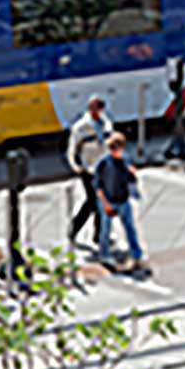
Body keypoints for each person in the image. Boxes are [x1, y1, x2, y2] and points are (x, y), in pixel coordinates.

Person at [94, 132, 147, 270]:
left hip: (123, 199)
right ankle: (104, 253)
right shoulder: (104, 163)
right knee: (105, 230)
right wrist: (105, 204)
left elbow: (130, 180)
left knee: (130, 228)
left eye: (116, 148)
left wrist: (133, 175)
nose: (114, 151)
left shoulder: (125, 161)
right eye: (112, 148)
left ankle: (136, 254)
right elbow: (98, 185)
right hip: (109, 199)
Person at [66, 94, 112, 248]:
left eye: (99, 108)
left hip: (103, 168)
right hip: (87, 169)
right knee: (93, 202)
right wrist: (76, 166)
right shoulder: (81, 127)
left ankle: (98, 235)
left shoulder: (106, 124)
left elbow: (109, 144)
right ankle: (75, 229)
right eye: (94, 108)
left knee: (100, 201)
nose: (97, 111)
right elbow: (73, 148)